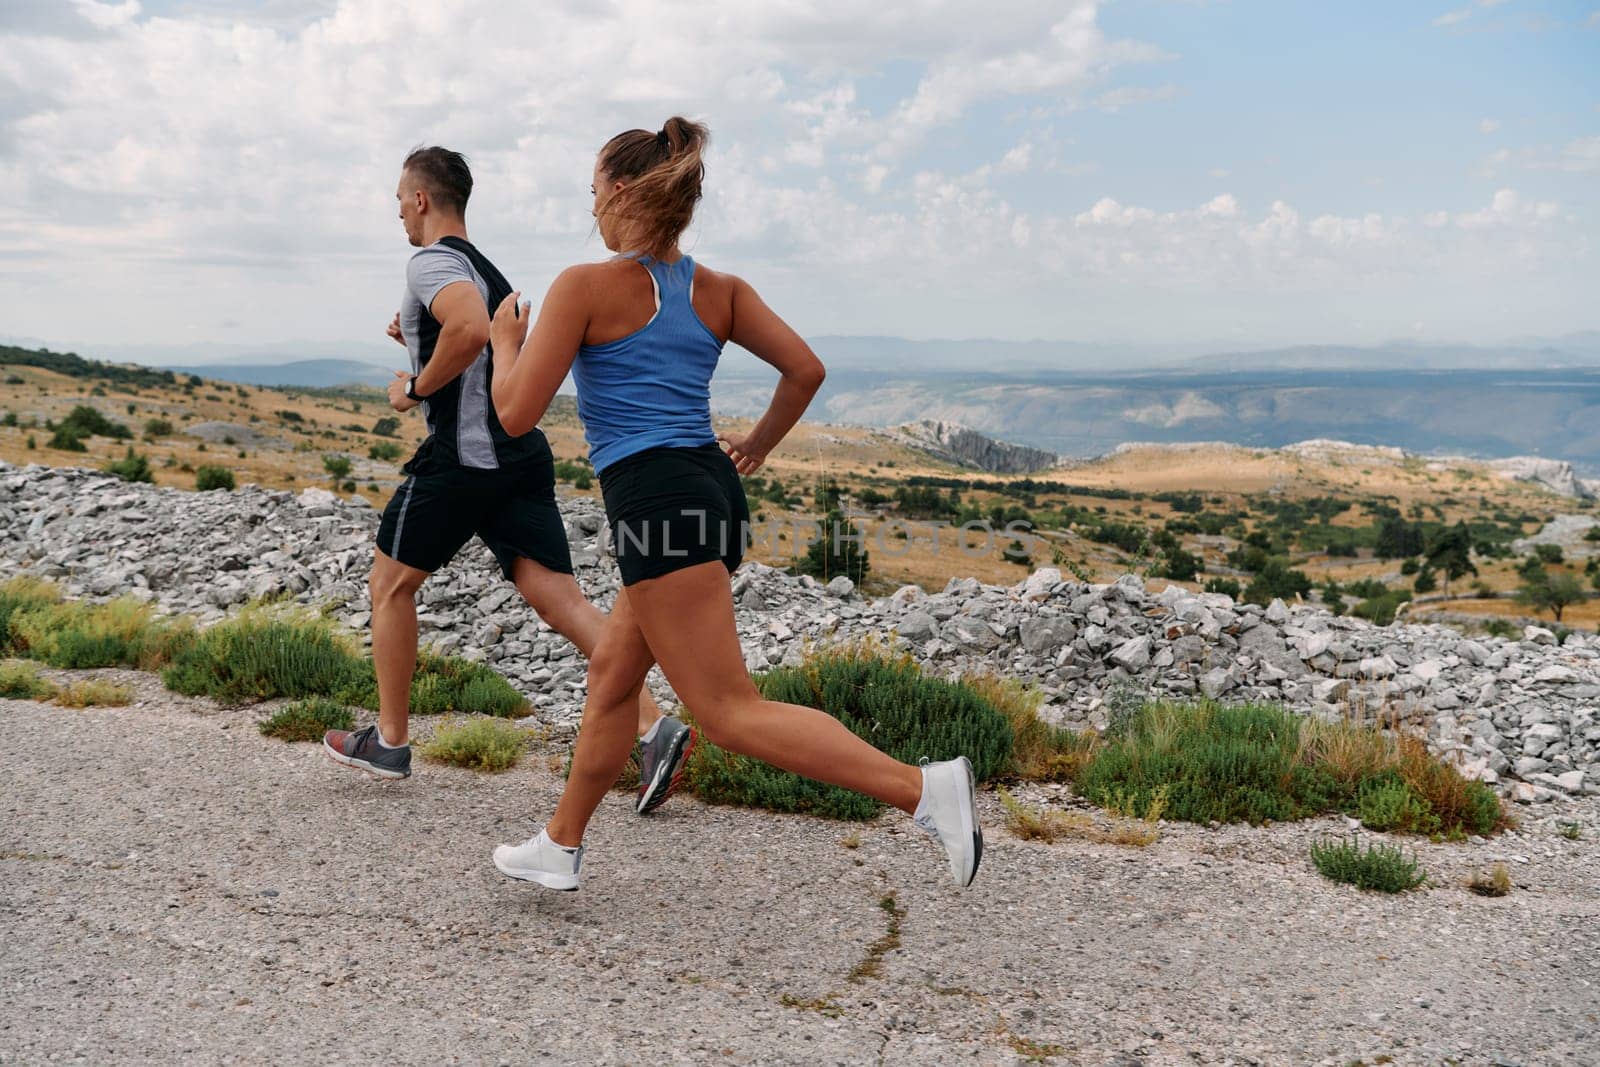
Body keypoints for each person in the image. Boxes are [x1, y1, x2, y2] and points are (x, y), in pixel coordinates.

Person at [483, 118, 982, 892]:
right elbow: (805, 369)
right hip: (709, 491)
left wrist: (505, 341)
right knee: (615, 675)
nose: (591, 207)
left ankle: (926, 791)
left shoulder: (583, 287)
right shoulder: (720, 291)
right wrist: (755, 447)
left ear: (620, 191)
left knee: (725, 709)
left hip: (655, 500)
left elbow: (514, 414)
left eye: (592, 191)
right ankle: (560, 842)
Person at [323, 145, 696, 816]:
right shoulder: (481, 266)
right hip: (519, 453)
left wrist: (412, 384)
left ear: (419, 200)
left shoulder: (431, 259)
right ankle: (654, 724)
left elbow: (467, 332)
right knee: (555, 595)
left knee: (390, 582)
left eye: (397, 202)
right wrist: (414, 336)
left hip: (467, 456)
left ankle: (390, 740)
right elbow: (481, 337)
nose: (398, 216)